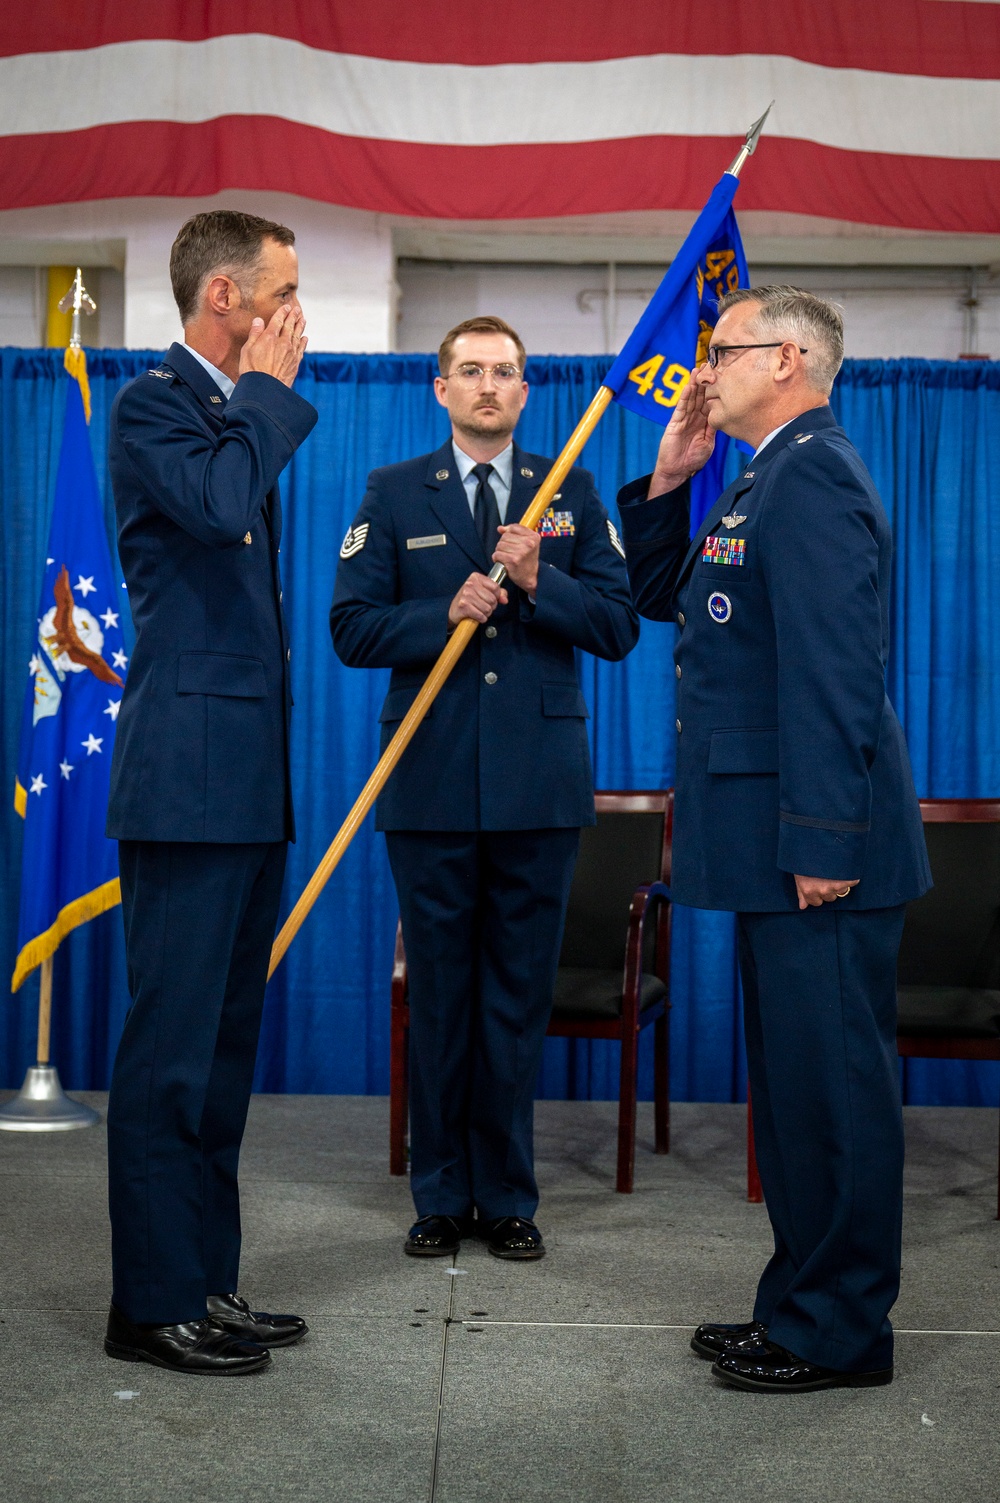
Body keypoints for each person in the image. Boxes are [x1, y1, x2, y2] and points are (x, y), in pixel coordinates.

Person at [617, 286, 931, 1393]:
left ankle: (841, 1331)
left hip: (817, 847)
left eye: (721, 351)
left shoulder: (816, 475)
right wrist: (666, 477)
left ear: (788, 358)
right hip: (775, 841)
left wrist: (824, 839)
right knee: (795, 1093)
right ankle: (799, 1304)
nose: (702, 369)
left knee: (831, 1090)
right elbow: (669, 596)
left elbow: (836, 680)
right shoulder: (763, 473)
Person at [331, 316, 639, 1261]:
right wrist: (443, 611)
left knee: (514, 997)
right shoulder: (391, 493)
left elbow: (620, 625)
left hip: (537, 791)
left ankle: (506, 1194)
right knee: (443, 995)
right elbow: (352, 628)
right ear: (441, 388)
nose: (489, 386)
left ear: (527, 389)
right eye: (471, 370)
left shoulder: (572, 490)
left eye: (506, 371)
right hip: (427, 785)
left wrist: (544, 579)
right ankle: (440, 1190)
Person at [103, 211, 317, 1375]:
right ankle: (147, 1306)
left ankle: (205, 1278)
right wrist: (268, 393)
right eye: (283, 294)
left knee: (223, 1057)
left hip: (244, 785)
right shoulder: (157, 404)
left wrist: (260, 403)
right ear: (226, 298)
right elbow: (223, 508)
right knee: (169, 1053)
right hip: (185, 786)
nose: (298, 317)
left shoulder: (230, 414)